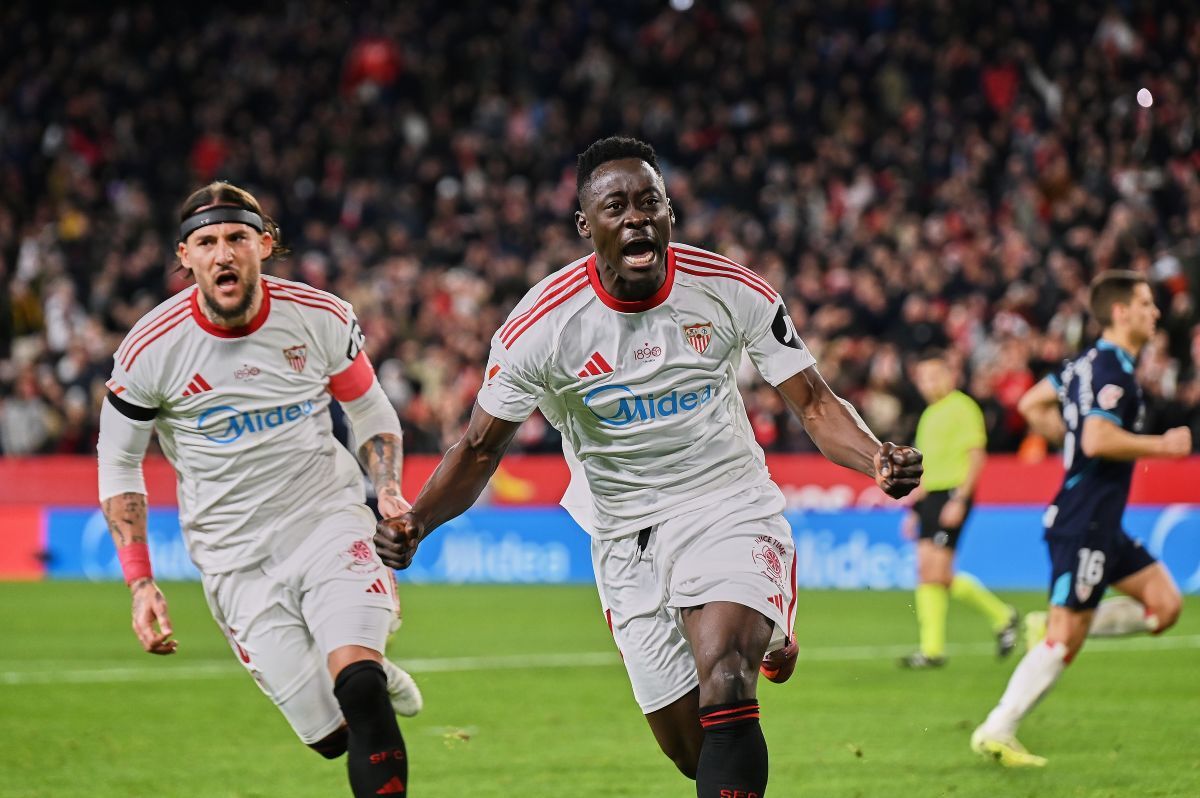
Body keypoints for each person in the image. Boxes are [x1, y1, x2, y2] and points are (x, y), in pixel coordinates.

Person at [374, 137, 923, 797]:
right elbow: (479, 448)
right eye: (616, 206)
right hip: (623, 533)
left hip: (727, 506)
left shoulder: (728, 290)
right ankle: (772, 638)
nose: (636, 217)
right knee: (695, 754)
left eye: (649, 202)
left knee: (725, 682)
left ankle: (755, 631)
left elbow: (812, 402)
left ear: (667, 214)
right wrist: (418, 521)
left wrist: (875, 458)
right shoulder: (540, 329)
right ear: (587, 226)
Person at [97, 182, 422, 797]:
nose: (223, 253)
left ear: (264, 245)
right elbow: (118, 466)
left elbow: (373, 414)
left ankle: (367, 670)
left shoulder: (318, 316)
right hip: (233, 557)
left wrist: (388, 493)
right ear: (185, 256)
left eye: (237, 238)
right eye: (207, 242)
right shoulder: (148, 350)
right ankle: (371, 674)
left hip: (326, 519)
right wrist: (140, 581)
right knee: (329, 737)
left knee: (359, 688)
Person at [970, 270, 1190, 767]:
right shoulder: (1112, 369)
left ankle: (1049, 621)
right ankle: (996, 729)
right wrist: (1163, 447)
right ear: (1121, 312)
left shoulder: (1083, 364)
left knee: (1165, 605)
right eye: (1146, 304)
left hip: (1103, 523)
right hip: (1084, 519)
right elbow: (1095, 439)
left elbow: (1033, 403)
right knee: (1064, 640)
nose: (1155, 313)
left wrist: (1066, 440)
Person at [899, 351, 1018, 668]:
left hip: (952, 493)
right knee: (927, 571)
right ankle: (932, 650)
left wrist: (960, 499)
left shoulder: (963, 407)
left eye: (934, 376)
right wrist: (914, 508)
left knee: (938, 572)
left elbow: (976, 455)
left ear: (950, 376)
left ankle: (1002, 616)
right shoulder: (929, 414)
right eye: (923, 378)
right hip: (930, 498)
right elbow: (924, 466)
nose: (928, 384)